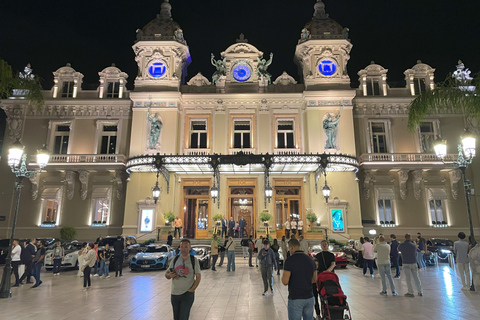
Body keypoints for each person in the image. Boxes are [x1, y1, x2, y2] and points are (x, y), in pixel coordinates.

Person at [166, 239, 201, 320]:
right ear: (179, 248)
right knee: (176, 317)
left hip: (187, 294)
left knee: (184, 317)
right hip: (175, 294)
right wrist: (170, 275)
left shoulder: (193, 260)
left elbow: (198, 276)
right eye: (182, 247)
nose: (183, 249)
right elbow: (167, 274)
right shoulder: (175, 259)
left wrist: (192, 289)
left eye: (186, 247)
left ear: (189, 248)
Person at [282, 238, 317, 320]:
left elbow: (285, 281)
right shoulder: (310, 260)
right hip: (309, 297)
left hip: (296, 298)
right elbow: (314, 280)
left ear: (291, 247)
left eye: (289, 248)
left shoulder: (289, 261)